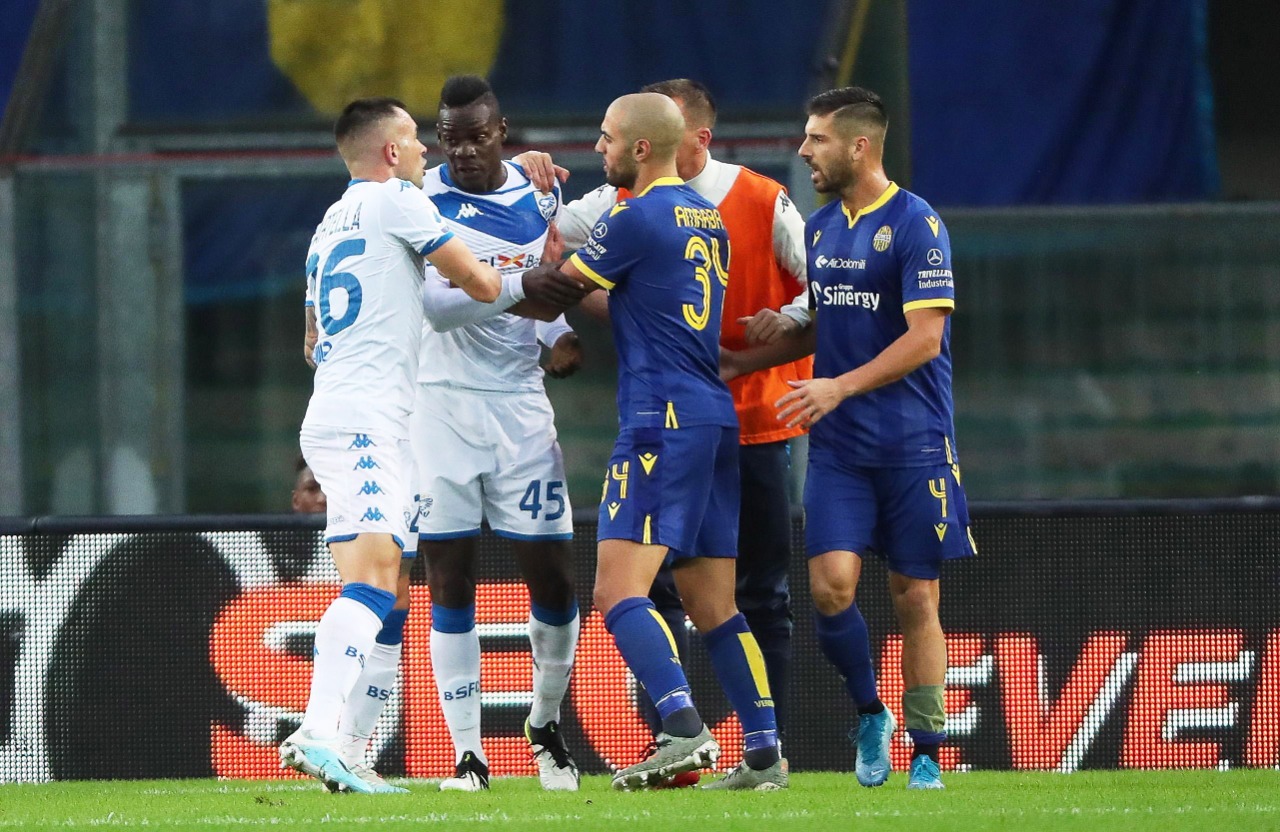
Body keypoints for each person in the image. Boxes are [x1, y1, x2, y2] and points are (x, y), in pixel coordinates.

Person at [519, 81, 808, 783]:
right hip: (712, 416)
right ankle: (765, 751)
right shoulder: (704, 217)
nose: (599, 149)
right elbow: (625, 299)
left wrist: (495, 277)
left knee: (617, 594)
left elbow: (560, 288)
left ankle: (680, 726)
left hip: (660, 419)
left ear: (641, 148)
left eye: (607, 138)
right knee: (715, 602)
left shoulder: (637, 215)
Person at [723, 86, 976, 791]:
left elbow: (925, 339)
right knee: (831, 589)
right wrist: (750, 357)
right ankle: (871, 712)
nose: (804, 151)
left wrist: (836, 386)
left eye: (816, 139)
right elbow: (829, 329)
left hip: (914, 444)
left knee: (914, 597)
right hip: (839, 448)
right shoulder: (821, 229)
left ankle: (927, 750)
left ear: (858, 146)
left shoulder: (919, 224)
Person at [281, 96, 502, 795]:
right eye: (414, 141)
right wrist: (521, 270)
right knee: (376, 579)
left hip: (343, 410)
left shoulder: (325, 225)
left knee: (384, 585)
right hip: (369, 420)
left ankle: (344, 749)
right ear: (388, 154)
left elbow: (312, 341)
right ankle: (317, 732)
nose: (426, 153)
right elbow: (481, 280)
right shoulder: (395, 202)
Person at [401, 75, 588, 793]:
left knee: (555, 577)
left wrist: (560, 336)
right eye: (451, 139)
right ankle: (469, 756)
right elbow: (438, 309)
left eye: (477, 136)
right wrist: (523, 295)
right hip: (440, 406)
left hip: (519, 407)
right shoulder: (421, 203)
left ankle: (543, 724)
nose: (465, 151)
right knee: (449, 578)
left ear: (502, 131)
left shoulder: (542, 196)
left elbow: (551, 285)